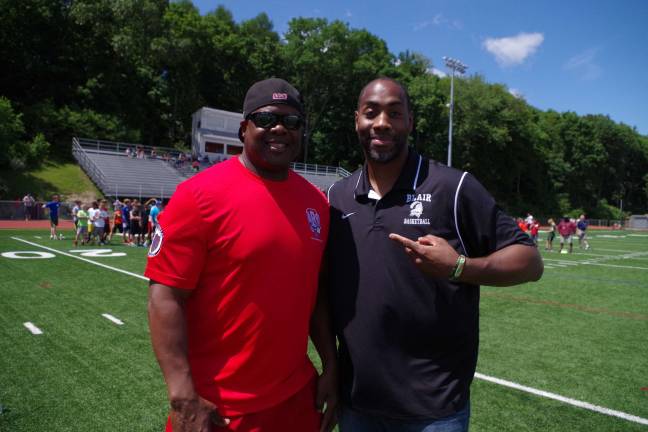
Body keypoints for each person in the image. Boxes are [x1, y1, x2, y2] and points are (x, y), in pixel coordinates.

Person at [325, 77, 543, 431]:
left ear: (410, 122)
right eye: (371, 113)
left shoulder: (453, 188)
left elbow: (530, 261)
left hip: (435, 411)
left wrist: (459, 266)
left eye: (394, 113)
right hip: (357, 403)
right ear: (357, 121)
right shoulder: (337, 196)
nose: (382, 122)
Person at [145, 78, 338, 432]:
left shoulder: (317, 203)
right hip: (219, 408)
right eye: (266, 119)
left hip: (297, 399)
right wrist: (183, 396)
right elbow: (165, 296)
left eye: (292, 122)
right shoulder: (198, 196)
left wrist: (330, 366)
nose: (279, 128)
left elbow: (316, 294)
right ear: (242, 129)